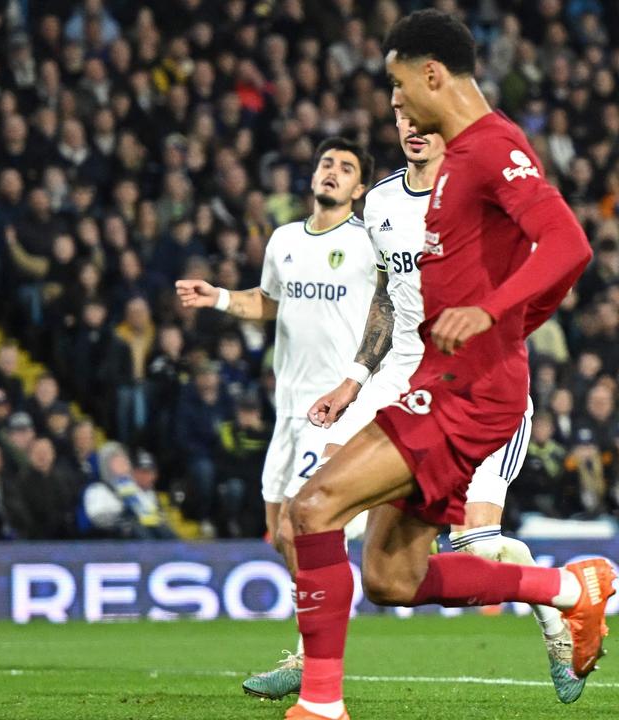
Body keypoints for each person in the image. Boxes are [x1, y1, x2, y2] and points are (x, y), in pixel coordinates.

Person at [279, 12, 607, 720]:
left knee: (313, 508)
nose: (396, 106)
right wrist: (514, 319)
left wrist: (496, 317)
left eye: (399, 90)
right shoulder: (455, 159)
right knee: (393, 577)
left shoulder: (493, 148)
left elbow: (568, 243)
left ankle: (320, 705)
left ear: (433, 75)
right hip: (442, 379)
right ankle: (568, 591)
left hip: (471, 391)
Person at [245, 110, 572, 701]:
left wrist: (502, 330)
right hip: (396, 378)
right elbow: (386, 297)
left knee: (472, 540)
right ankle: (310, 656)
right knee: (305, 519)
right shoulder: (381, 203)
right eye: (400, 117)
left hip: (474, 384)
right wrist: (353, 379)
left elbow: (549, 262)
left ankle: (556, 603)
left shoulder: (481, 193)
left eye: (421, 117)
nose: (411, 127)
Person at [175, 136, 378, 673]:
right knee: (278, 536)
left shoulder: (367, 244)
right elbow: (267, 302)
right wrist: (217, 296)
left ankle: (314, 655)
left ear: (359, 188)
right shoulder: (285, 239)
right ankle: (321, 619)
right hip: (287, 409)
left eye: (345, 168)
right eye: (326, 163)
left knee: (297, 528)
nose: (332, 172)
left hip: (334, 409)